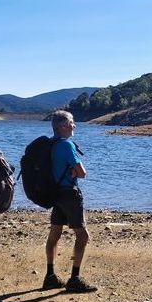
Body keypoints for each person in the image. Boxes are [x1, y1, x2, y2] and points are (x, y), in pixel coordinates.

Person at [43, 110, 98, 292]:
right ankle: (75, 279)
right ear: (64, 125)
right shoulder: (67, 145)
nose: (74, 125)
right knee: (83, 236)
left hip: (55, 194)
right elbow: (82, 173)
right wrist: (74, 171)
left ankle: (50, 276)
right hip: (69, 194)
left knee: (54, 234)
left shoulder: (51, 144)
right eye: (72, 122)